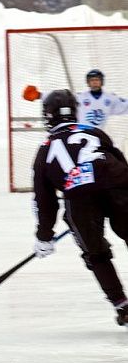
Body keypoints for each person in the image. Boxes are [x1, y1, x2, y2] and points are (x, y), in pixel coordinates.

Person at [32, 89, 128, 327]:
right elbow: (120, 161)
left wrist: (44, 236)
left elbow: (45, 201)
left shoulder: (45, 150)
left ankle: (122, 305)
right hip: (116, 184)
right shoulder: (95, 131)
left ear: (49, 116)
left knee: (96, 254)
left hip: (79, 199)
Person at [23, 69, 128, 128]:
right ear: (88, 82)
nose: (95, 82)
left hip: (99, 135)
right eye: (92, 80)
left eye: (97, 79)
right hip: (80, 133)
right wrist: (39, 95)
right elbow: (60, 98)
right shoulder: (81, 97)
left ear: (102, 81)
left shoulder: (110, 98)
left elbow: (124, 105)